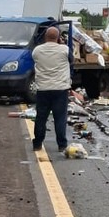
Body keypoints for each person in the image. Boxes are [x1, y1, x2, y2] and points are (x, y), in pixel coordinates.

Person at [31, 26, 72, 154]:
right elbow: (71, 61)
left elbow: (35, 60)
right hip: (60, 89)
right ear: (59, 38)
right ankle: (62, 145)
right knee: (60, 117)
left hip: (43, 89)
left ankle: (37, 143)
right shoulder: (64, 49)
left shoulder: (37, 50)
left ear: (45, 37)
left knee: (41, 117)